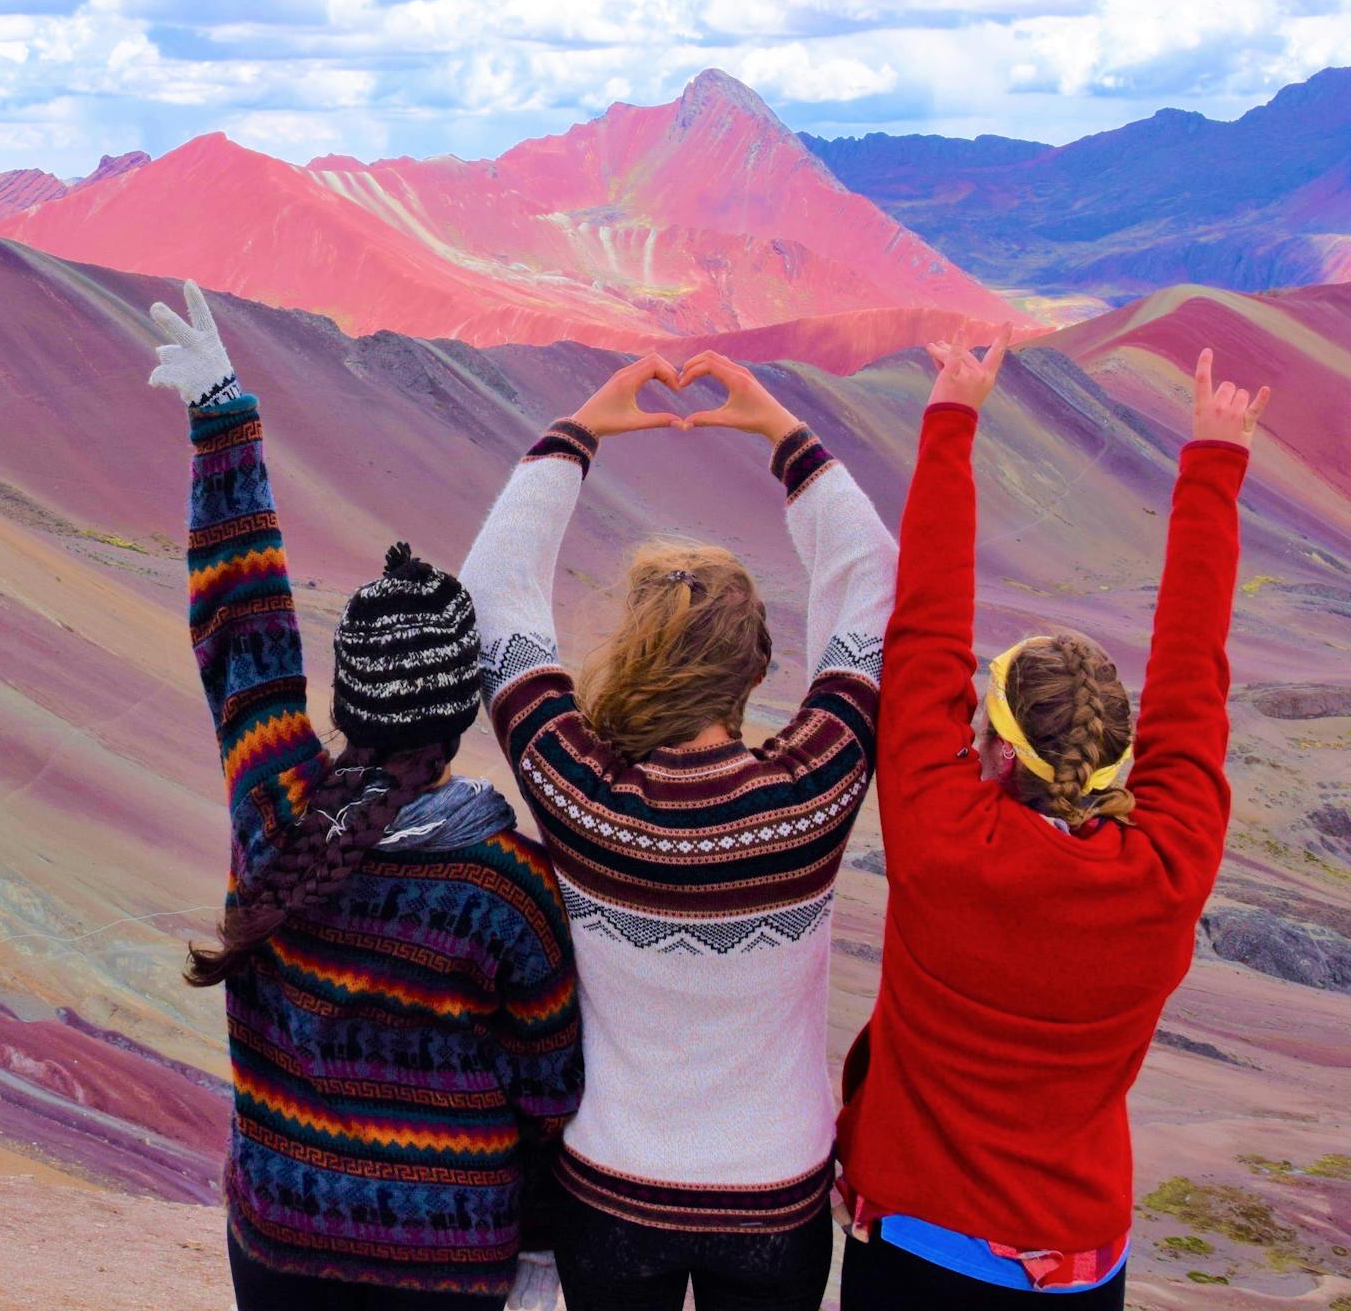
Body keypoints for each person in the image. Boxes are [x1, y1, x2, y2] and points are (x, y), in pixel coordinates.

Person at [149, 281, 582, 1311]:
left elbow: (239, 629)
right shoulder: (504, 885)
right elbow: (550, 1093)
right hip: (450, 1263)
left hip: (279, 1240)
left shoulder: (273, 804)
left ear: (346, 695)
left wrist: (224, 422)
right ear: (459, 713)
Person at [835, 339, 1268, 1308]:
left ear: (989, 745)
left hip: (912, 1248)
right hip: (1076, 1266)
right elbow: (1192, 676)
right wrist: (1211, 465)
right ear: (1118, 758)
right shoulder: (1160, 872)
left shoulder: (942, 838)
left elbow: (920, 632)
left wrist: (950, 414)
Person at [461, 351, 896, 1311]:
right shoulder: (814, 792)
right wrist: (785, 433)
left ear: (636, 649)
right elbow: (873, 589)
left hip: (611, 1194)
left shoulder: (582, 793)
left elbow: (494, 597)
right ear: (756, 666)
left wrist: (577, 434)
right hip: (775, 1203)